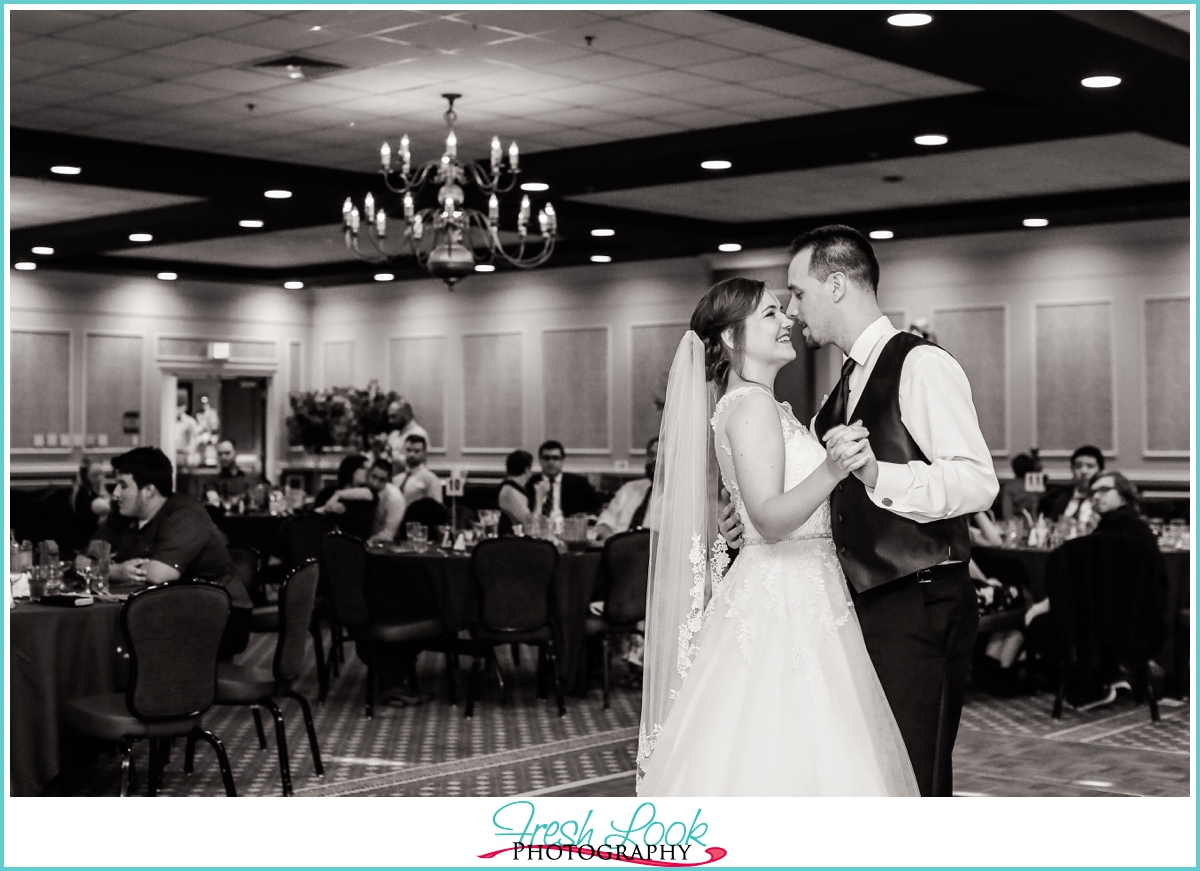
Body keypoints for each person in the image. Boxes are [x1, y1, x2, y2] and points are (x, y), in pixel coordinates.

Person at [720, 225, 999, 796]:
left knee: (915, 782)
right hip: (853, 609)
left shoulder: (921, 365)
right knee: (868, 780)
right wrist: (750, 524)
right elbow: (822, 492)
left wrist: (878, 475)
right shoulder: (841, 384)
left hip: (918, 601)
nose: (794, 311)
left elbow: (977, 481)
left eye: (798, 293)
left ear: (839, 284)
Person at [638, 277, 918, 797]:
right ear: (730, 337)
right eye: (769, 314)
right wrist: (833, 469)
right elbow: (768, 518)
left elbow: (757, 511)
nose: (786, 319)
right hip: (785, 598)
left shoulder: (766, 405)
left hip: (800, 586)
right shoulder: (752, 406)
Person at [88, 447, 252, 657]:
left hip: (220, 617)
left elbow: (159, 575)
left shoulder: (186, 513)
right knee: (102, 639)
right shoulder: (121, 514)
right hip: (163, 609)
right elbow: (82, 561)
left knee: (122, 641)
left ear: (149, 490)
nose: (115, 493)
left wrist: (103, 569)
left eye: (123, 486)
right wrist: (117, 571)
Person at [594, 437, 657, 543]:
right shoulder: (629, 488)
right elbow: (605, 521)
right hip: (617, 550)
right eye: (651, 455)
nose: (654, 460)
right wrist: (611, 539)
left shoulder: (680, 498)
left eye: (661, 455)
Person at [526, 440, 601, 518]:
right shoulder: (530, 484)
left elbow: (596, 507)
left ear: (562, 460)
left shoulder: (579, 483)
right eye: (546, 458)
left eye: (555, 458)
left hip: (569, 526)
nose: (551, 462)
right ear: (540, 460)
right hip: (540, 527)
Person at [314, 455, 377, 541]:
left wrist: (338, 495)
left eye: (368, 468)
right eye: (362, 467)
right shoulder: (328, 492)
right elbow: (312, 516)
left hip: (356, 544)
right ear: (351, 469)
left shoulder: (368, 494)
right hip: (327, 542)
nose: (367, 471)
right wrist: (326, 509)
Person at [1038, 445, 1104, 526]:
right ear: (1072, 469)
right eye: (1078, 466)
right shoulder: (1056, 497)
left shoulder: (1104, 500)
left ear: (1100, 470)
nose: (1083, 471)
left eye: (1090, 466)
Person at [69, 456, 110, 555]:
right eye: (95, 475)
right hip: (86, 547)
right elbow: (97, 524)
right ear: (86, 477)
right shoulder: (82, 496)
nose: (100, 478)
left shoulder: (97, 491)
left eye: (102, 474)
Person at [204, 439, 263, 505]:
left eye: (227, 453)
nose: (223, 457)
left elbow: (258, 501)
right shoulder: (212, 481)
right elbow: (215, 503)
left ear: (235, 453)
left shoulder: (250, 478)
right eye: (220, 454)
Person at [394, 435, 443, 506]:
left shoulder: (430, 479)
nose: (411, 454)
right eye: (408, 450)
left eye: (416, 451)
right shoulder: (398, 478)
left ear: (424, 453)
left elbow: (437, 508)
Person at [366, 458, 407, 544]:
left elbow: (389, 534)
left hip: (383, 545)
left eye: (382, 480)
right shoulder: (362, 487)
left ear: (388, 480)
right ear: (368, 473)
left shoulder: (395, 499)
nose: (375, 483)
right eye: (374, 477)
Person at [497, 450, 535, 537]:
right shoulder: (510, 491)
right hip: (510, 542)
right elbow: (531, 526)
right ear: (527, 470)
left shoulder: (514, 489)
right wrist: (540, 497)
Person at [999, 452, 1043, 520]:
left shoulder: (1009, 488)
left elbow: (1007, 514)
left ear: (1014, 469)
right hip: (1034, 523)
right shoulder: (1035, 487)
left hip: (1015, 524)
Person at [384, 399, 430, 464]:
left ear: (406, 415)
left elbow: (415, 463)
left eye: (394, 416)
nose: (390, 421)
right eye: (389, 417)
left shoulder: (419, 434)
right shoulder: (393, 435)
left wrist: (392, 454)